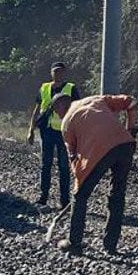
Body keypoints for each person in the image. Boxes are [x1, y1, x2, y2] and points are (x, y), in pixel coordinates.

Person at [52, 92, 138, 256]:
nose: (57, 114)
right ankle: (110, 245)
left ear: (59, 108)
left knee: (80, 196)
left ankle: (74, 242)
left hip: (99, 152)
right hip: (125, 145)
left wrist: (78, 184)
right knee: (117, 194)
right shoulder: (95, 99)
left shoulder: (66, 124)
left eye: (56, 110)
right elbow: (131, 102)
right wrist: (130, 128)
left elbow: (73, 157)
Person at [27, 62, 79, 208]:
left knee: (64, 166)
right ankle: (43, 197)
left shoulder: (71, 88)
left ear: (64, 73)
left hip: (64, 132)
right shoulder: (44, 88)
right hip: (47, 131)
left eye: (60, 71)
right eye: (55, 71)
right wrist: (31, 129)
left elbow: (77, 111)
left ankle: (64, 200)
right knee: (46, 165)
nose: (58, 74)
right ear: (51, 72)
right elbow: (37, 109)